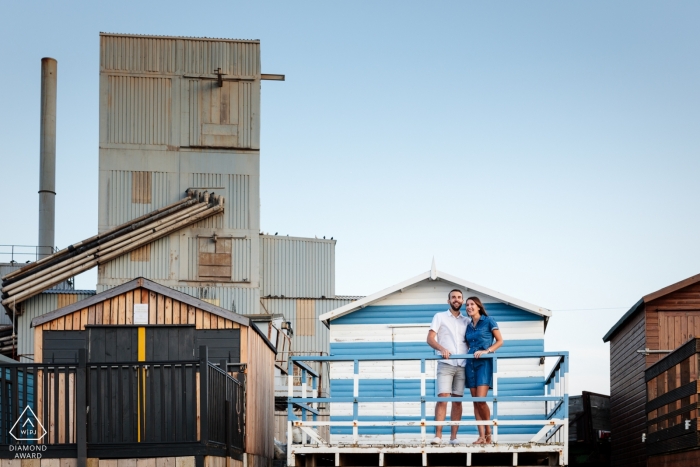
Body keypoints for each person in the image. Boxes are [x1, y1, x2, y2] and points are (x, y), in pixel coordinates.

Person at [426, 289, 468, 444]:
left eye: (459, 297)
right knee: (443, 398)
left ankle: (453, 437)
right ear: (448, 300)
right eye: (453, 297)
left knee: (457, 401)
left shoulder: (467, 321)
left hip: (462, 365)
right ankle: (438, 436)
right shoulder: (440, 316)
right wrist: (441, 348)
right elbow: (430, 338)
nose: (456, 299)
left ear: (462, 301)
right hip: (446, 364)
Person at [464, 296, 503, 444]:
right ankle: (481, 436)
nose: (469, 307)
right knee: (475, 402)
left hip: (484, 364)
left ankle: (488, 432)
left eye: (472, 304)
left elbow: (500, 341)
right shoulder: (468, 326)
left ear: (479, 306)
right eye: (467, 305)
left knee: (481, 400)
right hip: (470, 364)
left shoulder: (489, 320)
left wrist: (488, 350)